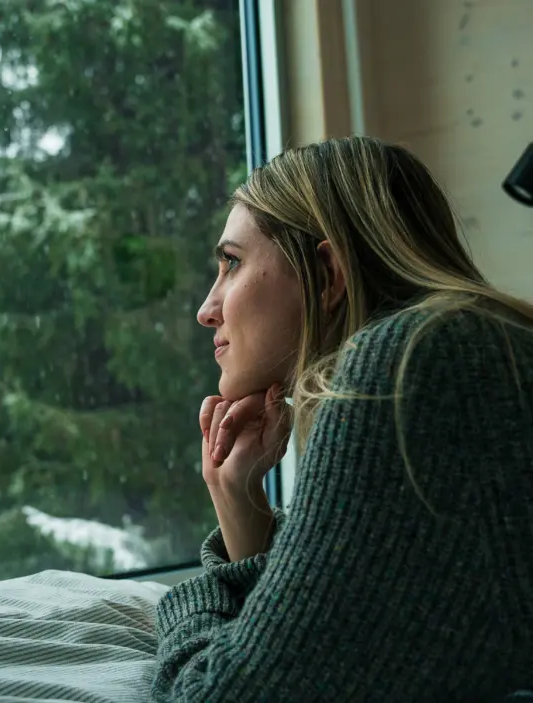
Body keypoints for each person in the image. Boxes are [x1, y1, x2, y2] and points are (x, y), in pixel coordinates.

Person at [152, 136, 533, 702]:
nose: (207, 309)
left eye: (231, 263)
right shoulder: (467, 350)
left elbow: (218, 697)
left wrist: (190, 601)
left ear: (327, 273)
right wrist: (239, 503)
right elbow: (334, 656)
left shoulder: (408, 364)